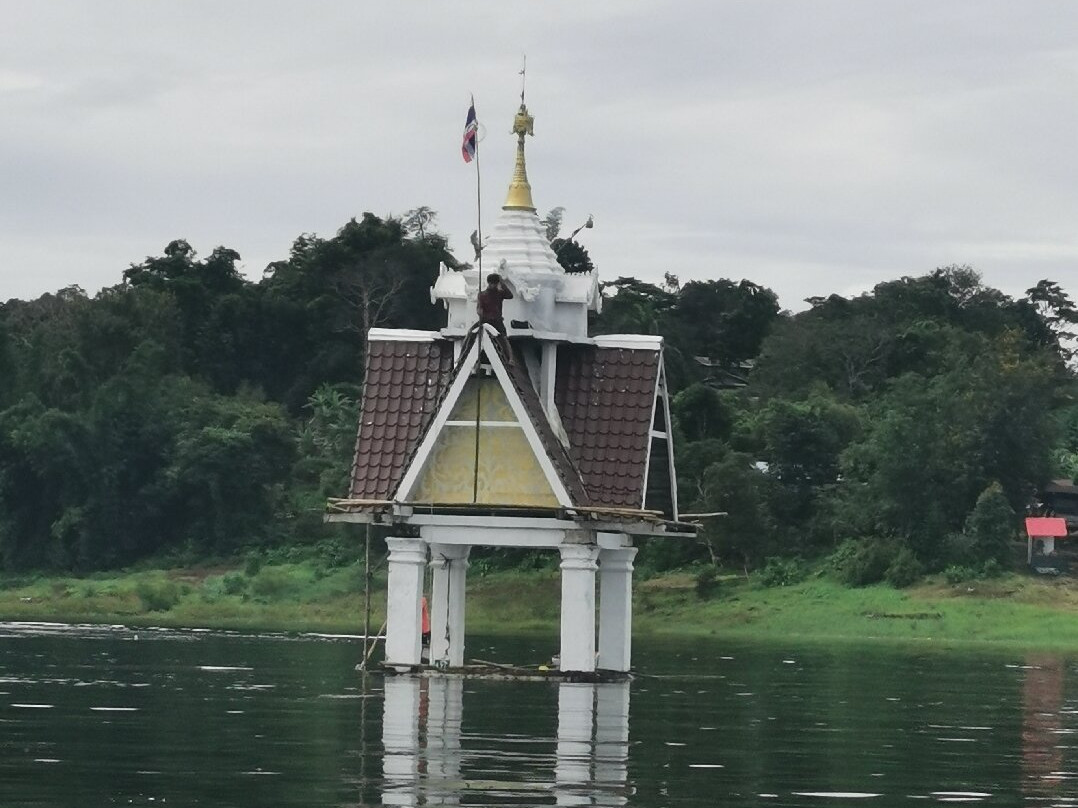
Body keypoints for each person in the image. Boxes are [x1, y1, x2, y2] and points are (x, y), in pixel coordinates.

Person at [476, 273, 514, 359]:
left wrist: (502, 283)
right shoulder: (482, 294)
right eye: (493, 283)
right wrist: (480, 312)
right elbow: (479, 308)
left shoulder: (499, 293)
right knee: (470, 335)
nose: (494, 285)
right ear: (489, 283)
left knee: (504, 338)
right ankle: (462, 356)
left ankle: (510, 358)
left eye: (495, 283)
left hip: (497, 321)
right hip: (485, 320)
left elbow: (510, 296)